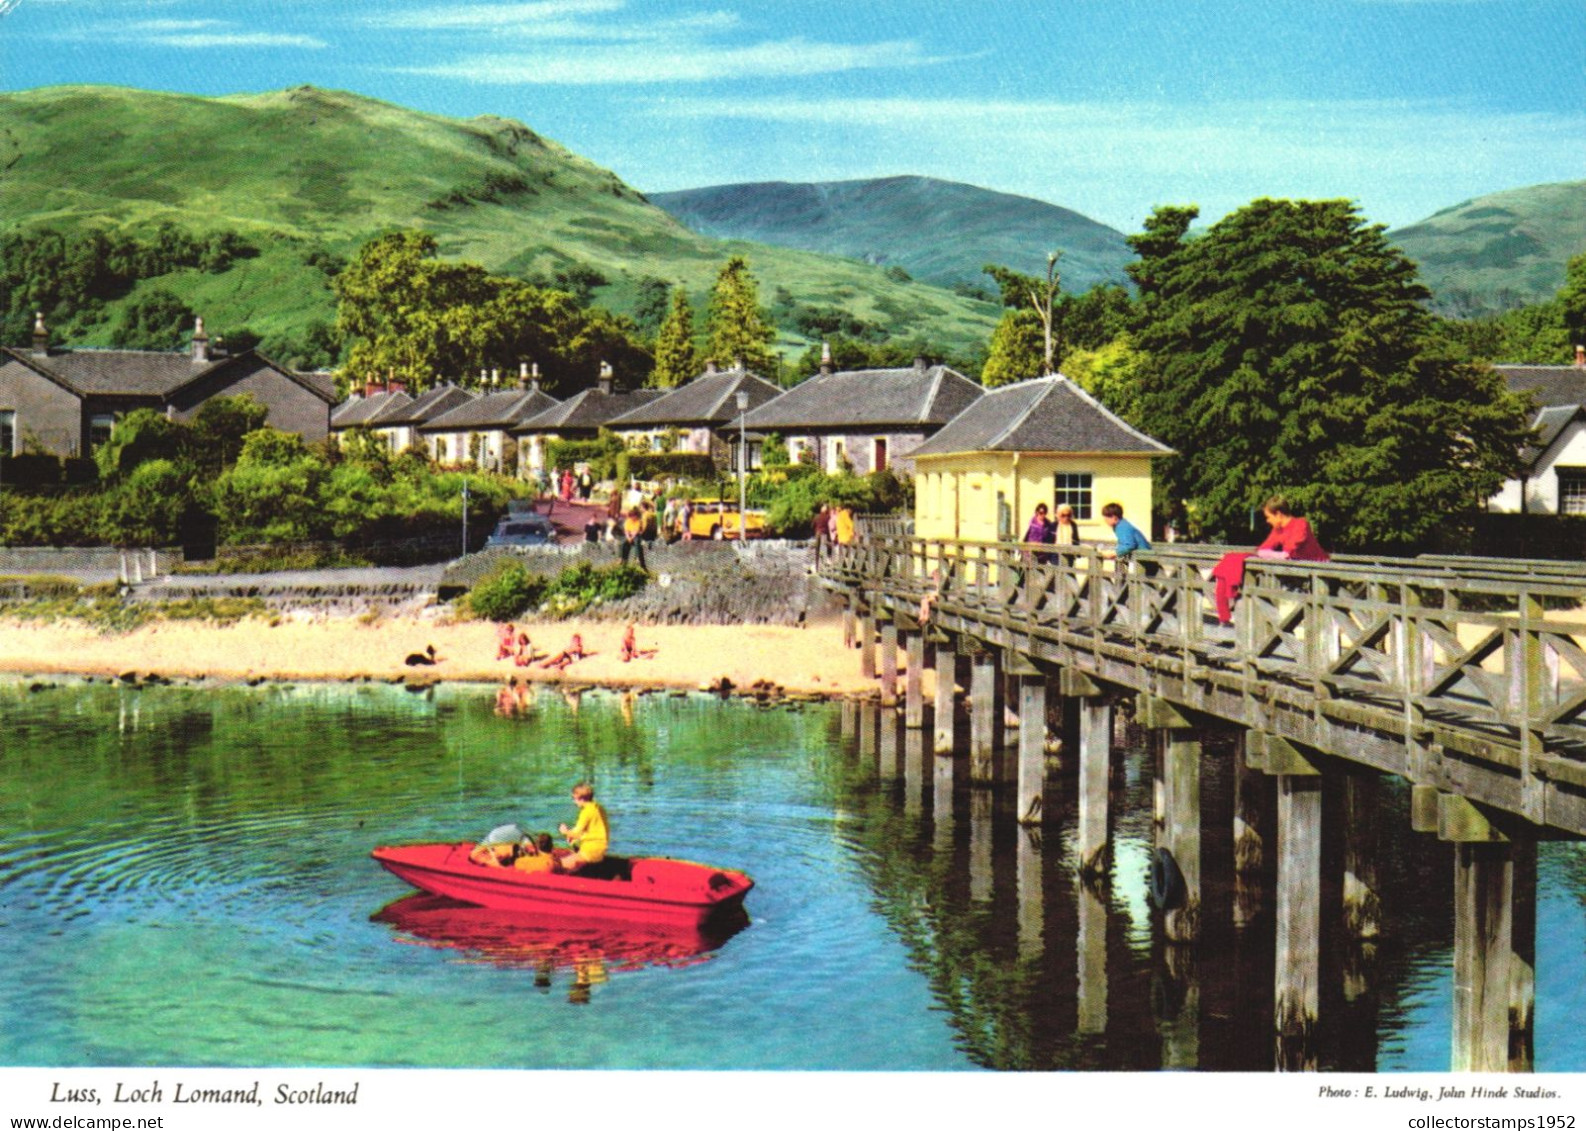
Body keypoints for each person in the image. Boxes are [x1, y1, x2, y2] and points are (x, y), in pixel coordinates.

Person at [1209, 496, 1330, 625]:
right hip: (1302, 571)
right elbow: (1264, 548)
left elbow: (1287, 553)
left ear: (1278, 514)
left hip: (1321, 572)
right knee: (1229, 561)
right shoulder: (1278, 530)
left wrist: (1264, 553)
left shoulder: (1300, 524)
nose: (1267, 521)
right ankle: (1224, 616)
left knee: (1323, 613)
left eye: (1268, 517)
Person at [558, 782, 609, 873]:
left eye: (574, 798)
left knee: (558, 865)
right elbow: (585, 830)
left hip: (589, 852)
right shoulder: (598, 807)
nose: (574, 801)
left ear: (580, 798)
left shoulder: (586, 812)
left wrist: (565, 831)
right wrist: (572, 835)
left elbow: (576, 834)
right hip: (600, 851)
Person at [1099, 502, 1152, 566]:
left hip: (1145, 559)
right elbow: (1123, 543)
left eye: (1106, 518)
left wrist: (1114, 553)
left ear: (1114, 517)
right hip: (1141, 558)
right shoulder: (1120, 525)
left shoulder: (1123, 527)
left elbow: (1129, 545)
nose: (1105, 520)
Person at [619, 506, 648, 571]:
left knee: (637, 542)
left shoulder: (638, 521)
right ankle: (622, 558)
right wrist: (628, 537)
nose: (634, 518)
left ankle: (637, 558)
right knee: (623, 543)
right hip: (629, 535)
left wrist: (631, 537)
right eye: (633, 516)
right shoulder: (628, 521)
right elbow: (626, 531)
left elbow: (636, 531)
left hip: (636, 535)